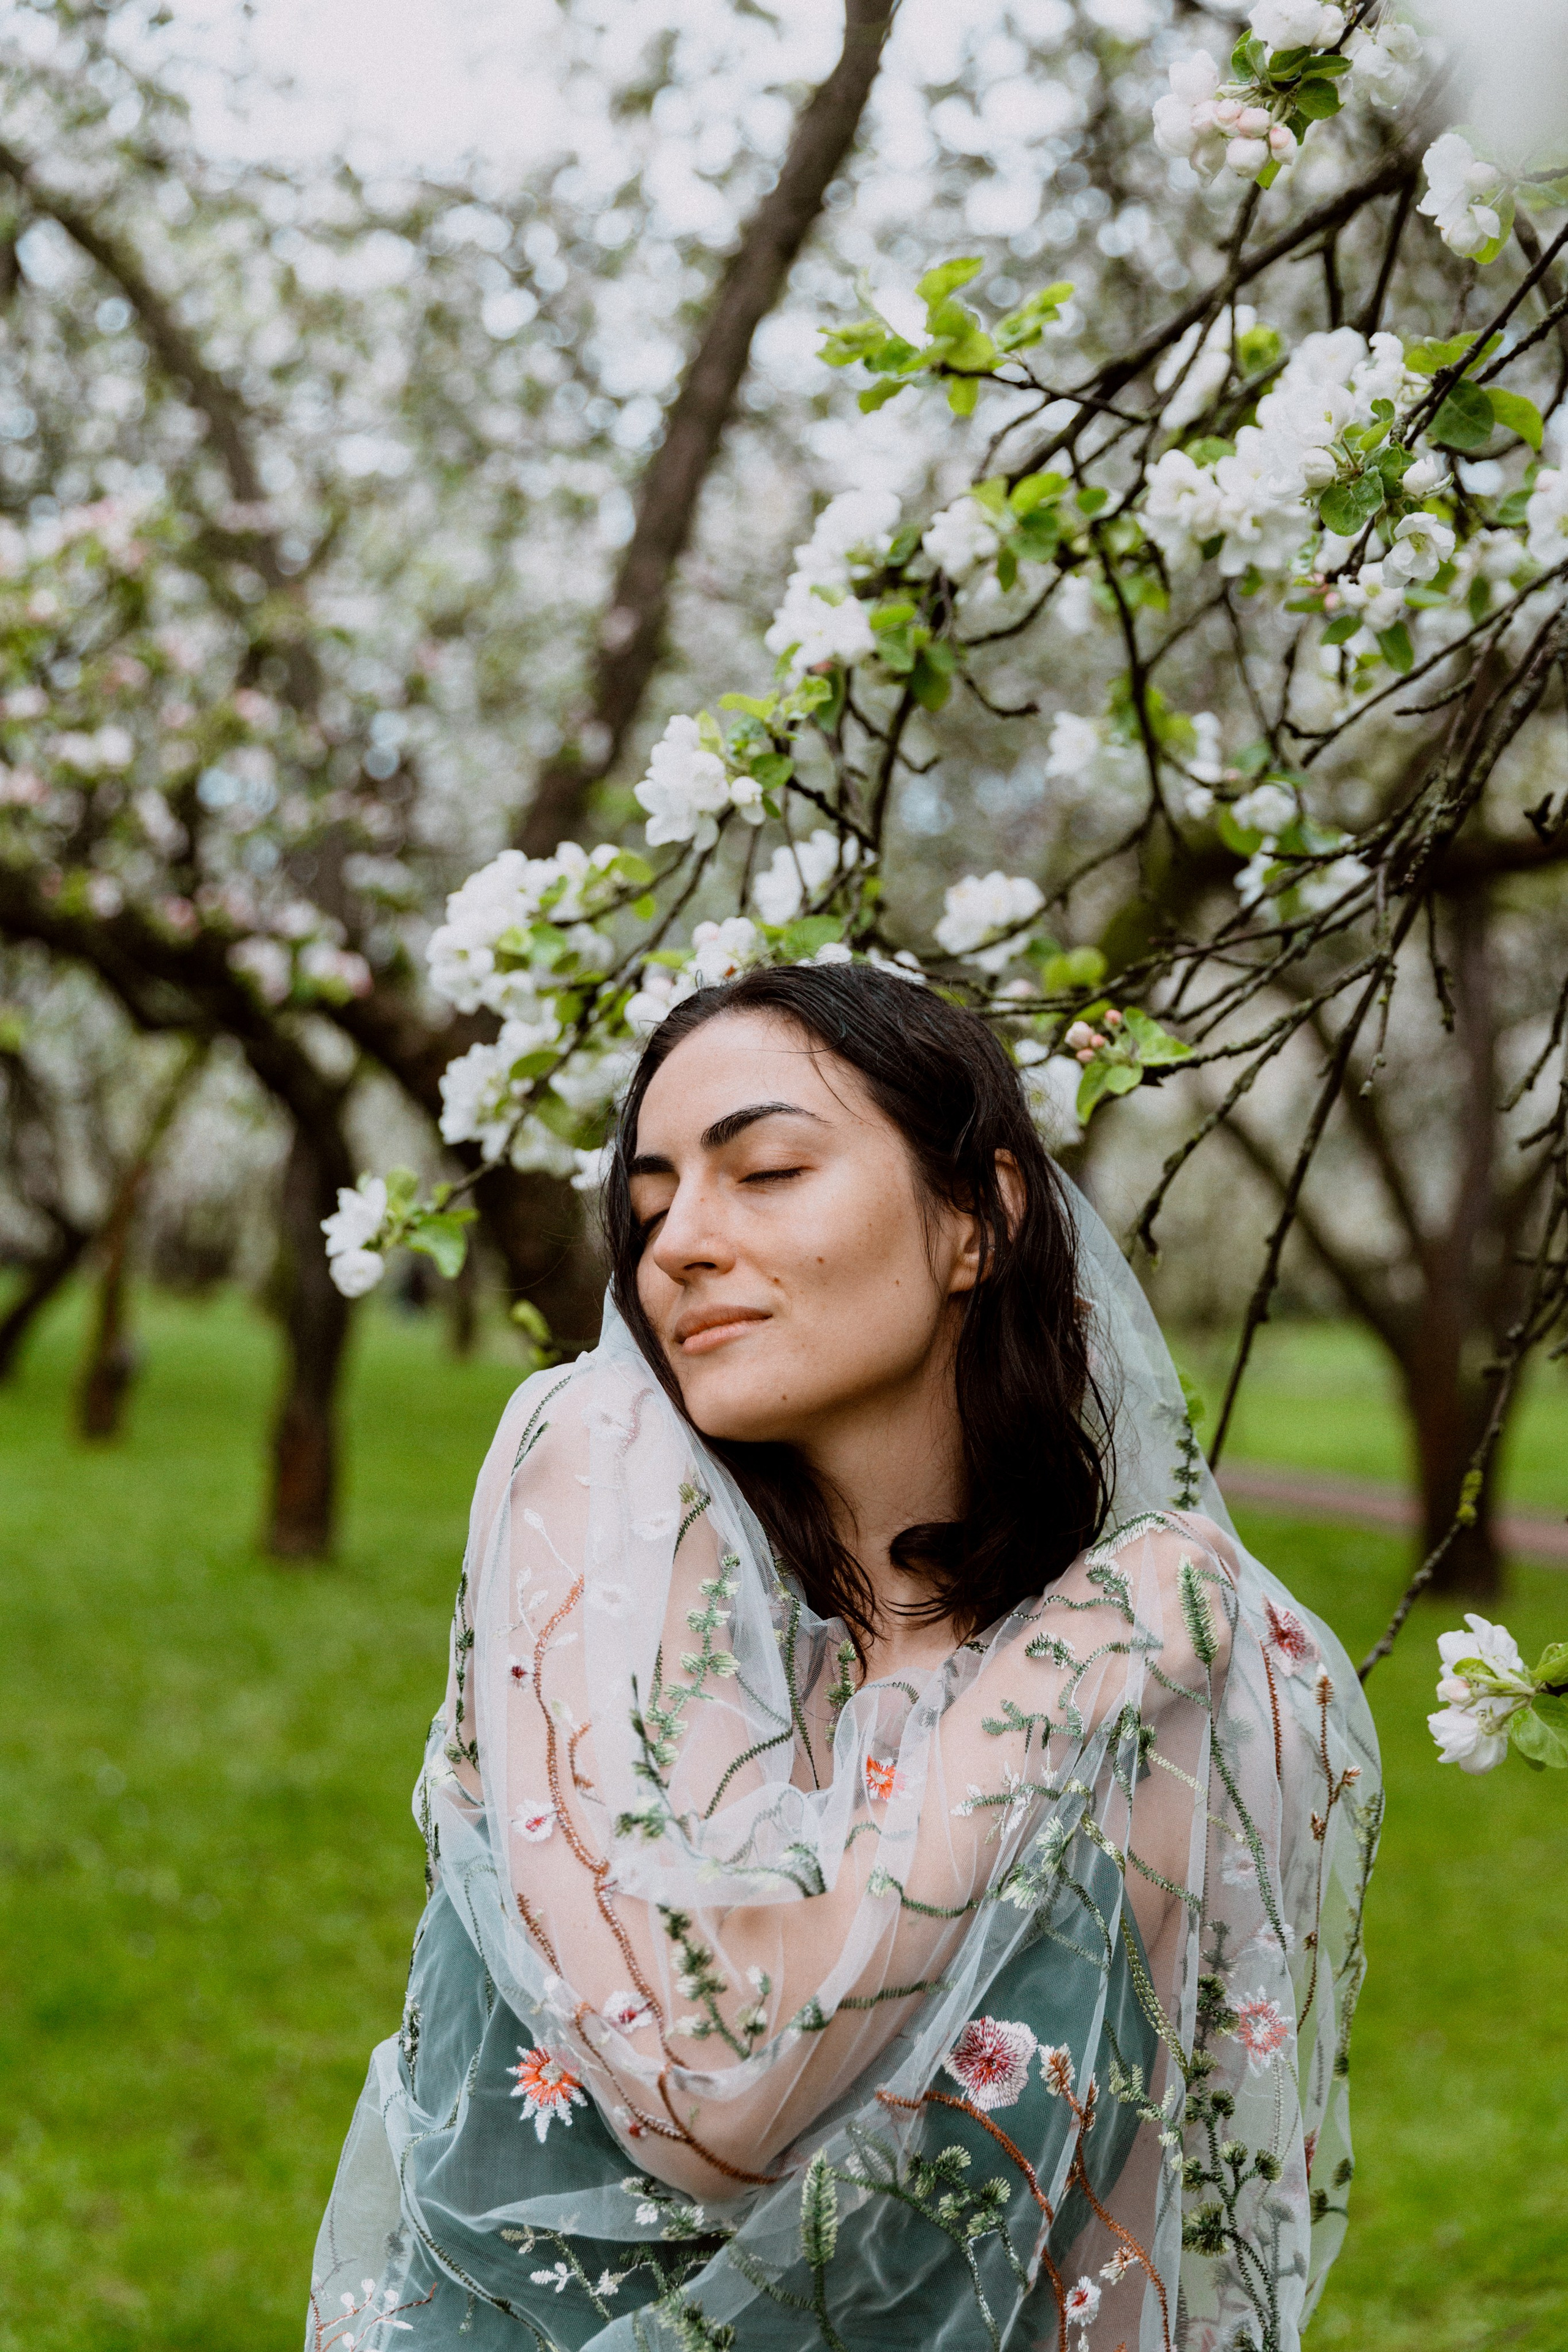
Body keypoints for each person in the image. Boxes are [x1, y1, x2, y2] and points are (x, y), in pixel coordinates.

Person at [306, 962, 1380, 2352]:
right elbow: (708, 2086)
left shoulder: (1174, 1675)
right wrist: (1080, 1651)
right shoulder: (598, 1460)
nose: (679, 1241)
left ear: (978, 1222)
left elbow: (1137, 2254)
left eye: (763, 1171)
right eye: (648, 1205)